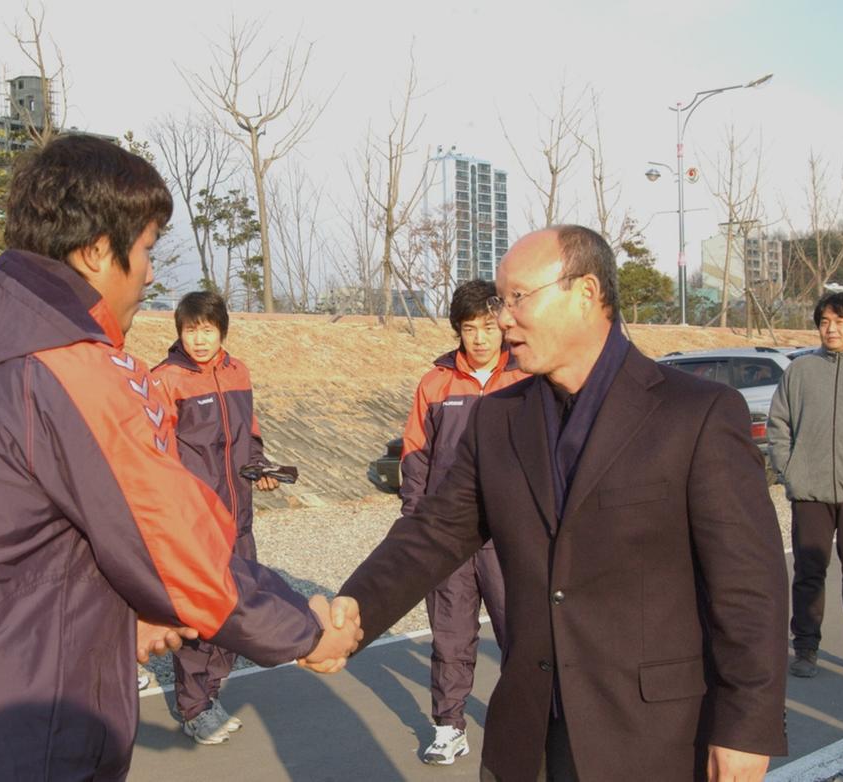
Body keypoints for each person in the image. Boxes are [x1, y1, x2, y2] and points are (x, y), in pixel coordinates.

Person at [0, 136, 359, 781]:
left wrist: (121, 614)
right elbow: (176, 552)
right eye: (148, 250)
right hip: (7, 739)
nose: (153, 274)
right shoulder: (66, 368)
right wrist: (303, 624)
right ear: (98, 251)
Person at [331, 225, 788, 780]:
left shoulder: (696, 414)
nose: (502, 319)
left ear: (586, 293)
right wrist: (351, 612)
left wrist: (745, 725)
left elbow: (748, 585)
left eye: (518, 298)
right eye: (502, 301)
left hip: (656, 737)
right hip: (531, 737)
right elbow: (434, 532)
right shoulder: (498, 419)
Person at [399, 279, 526, 765]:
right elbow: (415, 457)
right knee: (451, 637)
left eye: (489, 327)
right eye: (470, 328)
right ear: (458, 330)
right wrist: (416, 528)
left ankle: (522, 721)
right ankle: (449, 725)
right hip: (449, 537)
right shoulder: (435, 384)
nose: (479, 338)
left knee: (520, 632)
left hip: (508, 536)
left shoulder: (525, 379)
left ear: (503, 327)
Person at [151, 291, 281, 745]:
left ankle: (212, 692)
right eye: (190, 330)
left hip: (238, 513)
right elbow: (155, 451)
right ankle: (194, 706)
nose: (199, 339)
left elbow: (251, 433)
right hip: (195, 521)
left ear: (222, 330)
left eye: (207, 329)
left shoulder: (237, 371)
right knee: (199, 613)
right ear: (179, 332)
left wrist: (260, 466)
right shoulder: (166, 380)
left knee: (235, 603)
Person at [768, 291, 843, 679]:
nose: (830, 329)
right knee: (808, 572)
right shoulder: (799, 372)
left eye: (839, 322)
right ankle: (805, 647)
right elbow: (779, 425)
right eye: (824, 322)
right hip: (810, 492)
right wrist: (789, 471)